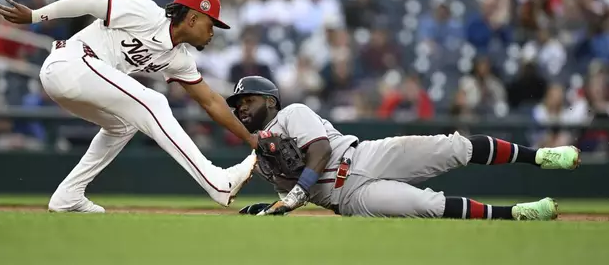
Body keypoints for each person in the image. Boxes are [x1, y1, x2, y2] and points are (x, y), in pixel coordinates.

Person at [0, 0, 258, 213]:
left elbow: (210, 101)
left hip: (81, 78)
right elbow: (87, 3)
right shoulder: (145, 12)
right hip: (69, 62)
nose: (213, 32)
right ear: (192, 18)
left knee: (124, 125)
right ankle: (216, 182)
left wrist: (250, 139)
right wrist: (36, 15)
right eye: (211, 24)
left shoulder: (179, 59)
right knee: (154, 103)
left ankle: (69, 195)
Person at [228, 76, 581, 220]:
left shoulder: (292, 113)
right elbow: (289, 192)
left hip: (362, 156)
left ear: (271, 101)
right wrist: (273, 204)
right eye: (237, 104)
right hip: (346, 200)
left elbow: (319, 152)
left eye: (247, 99)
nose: (240, 107)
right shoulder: (262, 157)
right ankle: (519, 213)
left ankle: (541, 157)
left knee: (452, 148)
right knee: (429, 206)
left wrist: (295, 194)